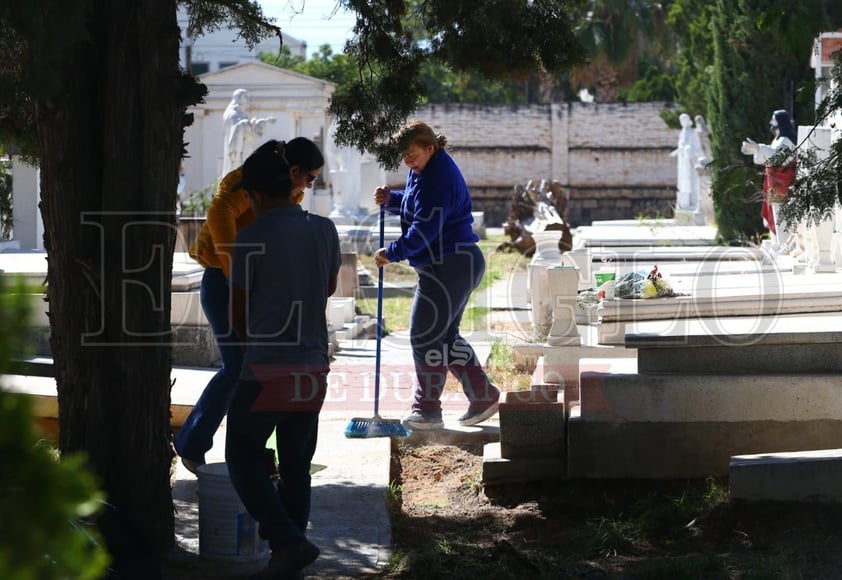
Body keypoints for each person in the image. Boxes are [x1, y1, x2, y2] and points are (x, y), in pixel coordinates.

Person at [224, 139, 339, 578]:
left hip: (268, 368)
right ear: (292, 186)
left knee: (241, 453)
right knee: (296, 468)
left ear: (253, 195)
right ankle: (288, 559)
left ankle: (286, 540)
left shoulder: (249, 237)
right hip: (313, 367)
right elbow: (327, 288)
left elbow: (238, 317)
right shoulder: (325, 230)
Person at [175, 137, 325, 474]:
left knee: (254, 368)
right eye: (310, 178)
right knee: (240, 367)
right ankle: (194, 444)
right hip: (224, 283)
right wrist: (234, 270)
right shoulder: (252, 179)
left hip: (252, 287)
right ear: (294, 170)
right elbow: (219, 213)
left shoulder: (290, 192)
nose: (308, 186)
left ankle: (247, 452)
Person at [373, 120, 500, 431]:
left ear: (430, 148)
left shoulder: (436, 177)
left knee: (424, 335)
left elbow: (425, 228)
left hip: (449, 265)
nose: (407, 161)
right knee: (443, 337)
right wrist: (393, 199)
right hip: (455, 263)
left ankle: (427, 409)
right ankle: (483, 396)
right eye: (403, 156)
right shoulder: (425, 170)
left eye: (412, 154)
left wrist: (391, 252)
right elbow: (417, 204)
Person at [741, 109, 797, 251]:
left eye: (773, 119)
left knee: (780, 214)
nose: (771, 122)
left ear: (780, 121)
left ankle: (784, 244)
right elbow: (767, 158)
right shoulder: (778, 139)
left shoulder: (786, 140)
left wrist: (759, 148)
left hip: (782, 182)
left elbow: (779, 158)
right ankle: (778, 242)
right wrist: (756, 150)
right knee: (774, 212)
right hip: (773, 181)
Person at [222, 89, 277, 176]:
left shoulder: (242, 114)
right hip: (238, 150)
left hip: (245, 148)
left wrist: (257, 123)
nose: (247, 99)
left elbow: (247, 128)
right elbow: (238, 128)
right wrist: (250, 124)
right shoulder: (233, 114)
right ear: (238, 98)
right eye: (245, 97)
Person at [670, 112, 704, 211]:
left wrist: (687, 149)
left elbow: (695, 146)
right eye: (681, 120)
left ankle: (692, 203)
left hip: (690, 159)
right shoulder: (683, 131)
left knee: (691, 181)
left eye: (684, 120)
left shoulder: (692, 132)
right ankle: (684, 204)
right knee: (683, 182)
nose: (683, 122)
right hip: (683, 160)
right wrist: (678, 151)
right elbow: (681, 145)